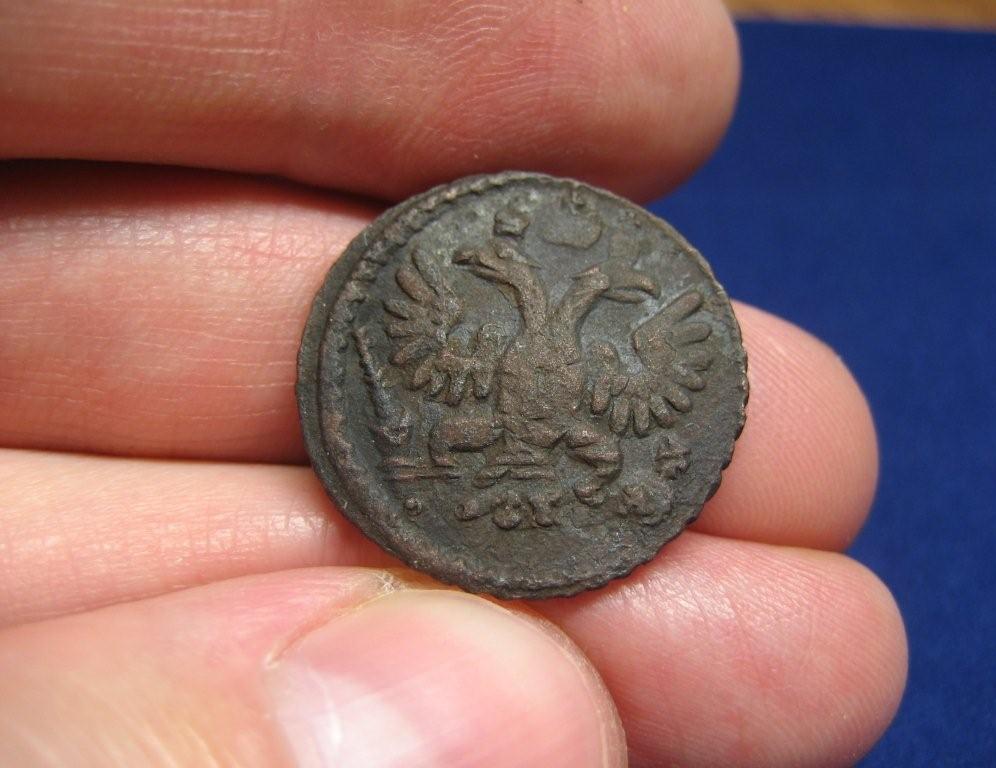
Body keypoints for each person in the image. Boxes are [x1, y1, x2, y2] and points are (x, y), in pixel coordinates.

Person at [0, 1, 907, 765]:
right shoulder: (486, 337)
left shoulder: (603, 357)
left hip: (556, 458)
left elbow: (627, 376)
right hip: (502, 454)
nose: (561, 292)